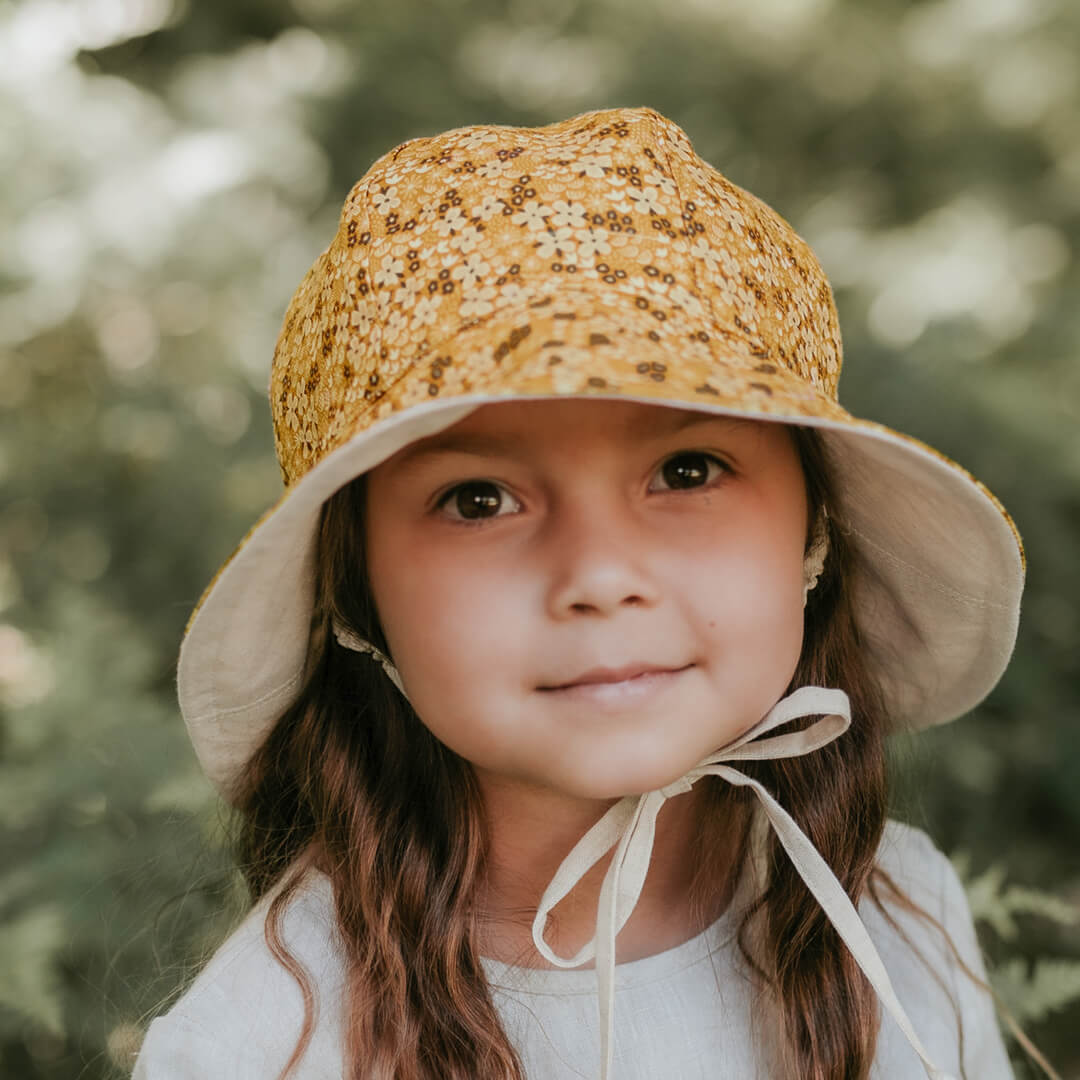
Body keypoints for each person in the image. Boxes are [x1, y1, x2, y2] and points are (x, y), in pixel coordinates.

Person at [132, 105, 1037, 1079]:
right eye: (477, 499)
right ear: (352, 593)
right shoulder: (264, 1045)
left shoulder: (899, 915)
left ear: (812, 529)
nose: (601, 577)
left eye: (688, 471)